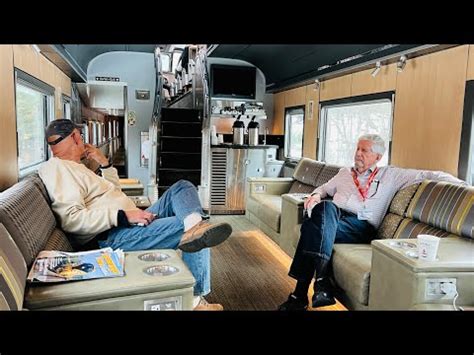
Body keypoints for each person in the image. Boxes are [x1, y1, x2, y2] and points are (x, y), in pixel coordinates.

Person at [38, 119, 232, 310]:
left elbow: (113, 192)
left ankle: (195, 226)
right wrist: (123, 216)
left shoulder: (78, 167)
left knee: (182, 188)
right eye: (81, 136)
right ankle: (195, 300)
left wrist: (104, 164)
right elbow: (72, 219)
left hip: (130, 220)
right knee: (189, 226)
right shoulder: (57, 168)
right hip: (112, 236)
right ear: (75, 137)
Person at [278, 133, 466, 311]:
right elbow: (324, 189)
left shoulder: (391, 175)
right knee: (323, 210)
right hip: (333, 217)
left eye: (364, 150)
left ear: (378, 156)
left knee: (312, 227)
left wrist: (464, 185)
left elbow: (430, 175)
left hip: (360, 226)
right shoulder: (344, 173)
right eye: (357, 149)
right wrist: (316, 195)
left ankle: (301, 294)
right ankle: (320, 285)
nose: (358, 153)